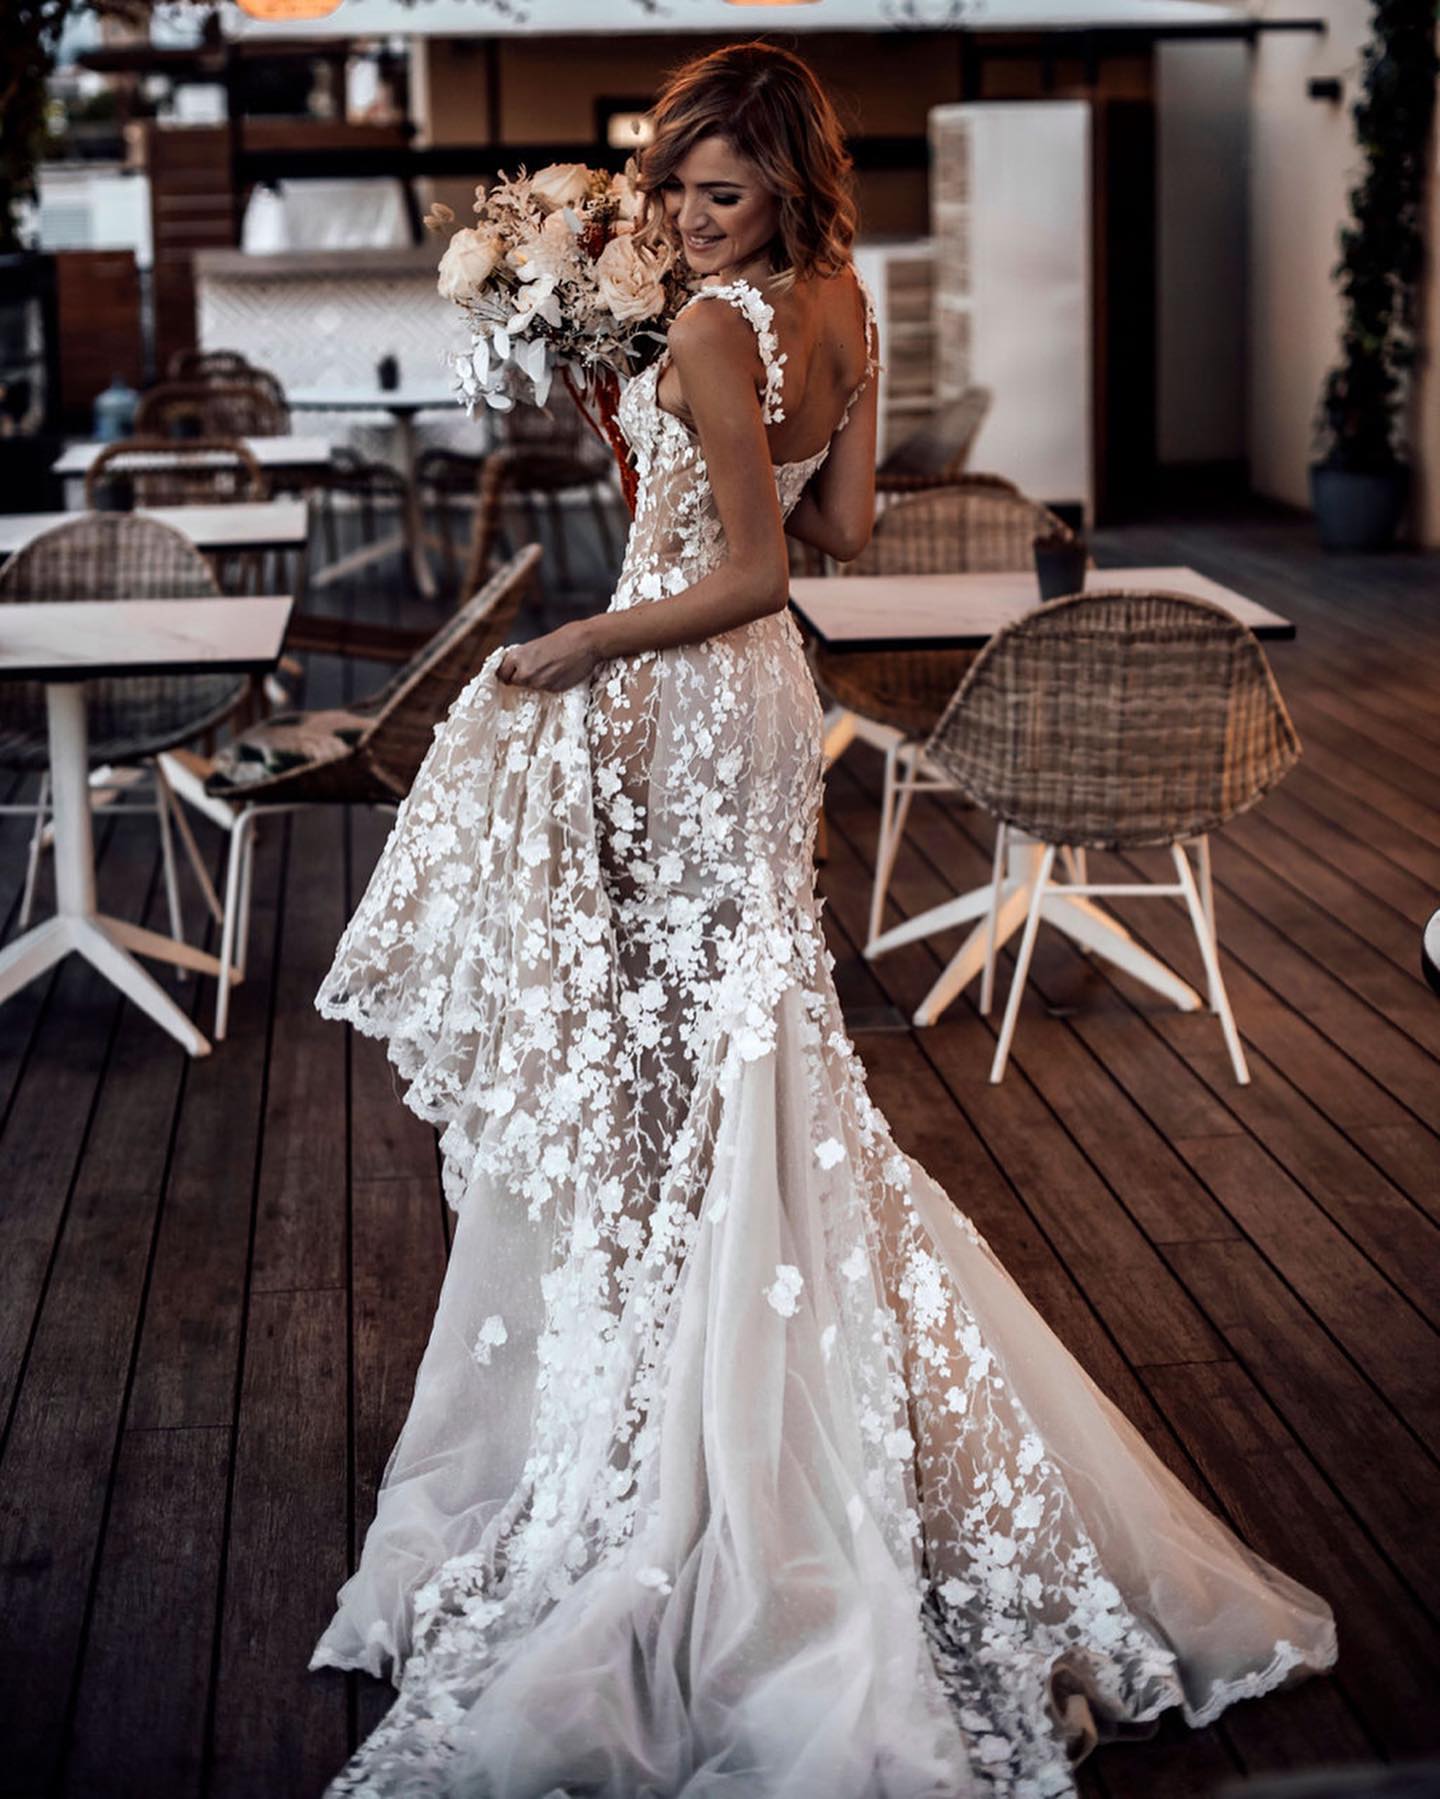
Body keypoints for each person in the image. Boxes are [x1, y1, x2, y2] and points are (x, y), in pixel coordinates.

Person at [310, 42, 1336, 1798]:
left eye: (721, 191)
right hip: (761, 711)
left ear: (784, 179)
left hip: (690, 689)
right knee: (751, 1044)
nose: (688, 219)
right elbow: (839, 523)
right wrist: (630, 417)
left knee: (694, 1047)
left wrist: (577, 640)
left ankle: (702, 1413)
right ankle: (740, 1373)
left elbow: (751, 571)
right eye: (673, 188)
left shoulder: (710, 322)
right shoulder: (838, 299)